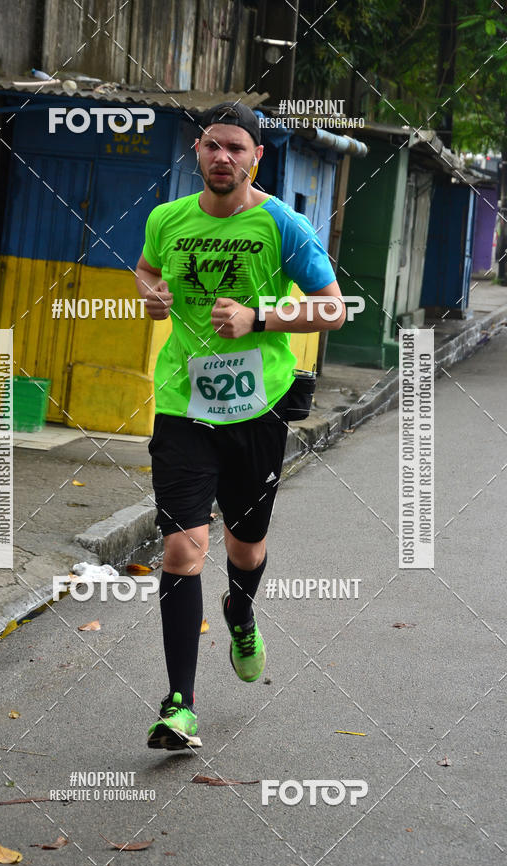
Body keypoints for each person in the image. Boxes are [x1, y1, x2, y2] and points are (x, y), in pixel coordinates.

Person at [134, 102, 345, 751]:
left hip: (259, 408)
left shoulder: (282, 225)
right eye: (212, 146)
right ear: (198, 151)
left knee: (245, 548)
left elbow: (333, 309)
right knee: (182, 548)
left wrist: (260, 318)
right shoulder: (166, 218)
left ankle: (241, 610)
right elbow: (145, 268)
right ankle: (180, 706)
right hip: (182, 404)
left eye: (236, 148)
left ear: (256, 157)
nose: (222, 157)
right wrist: (148, 291)